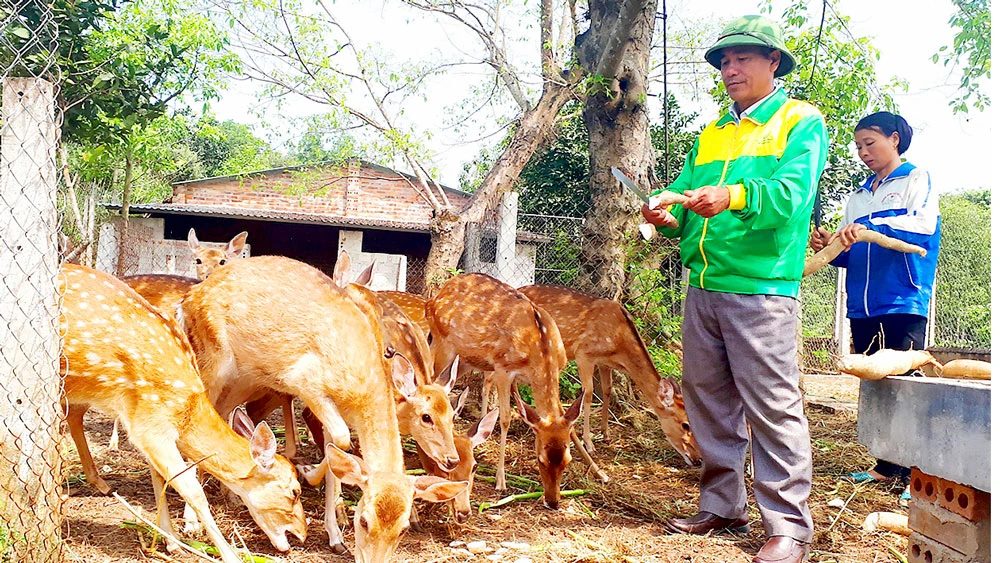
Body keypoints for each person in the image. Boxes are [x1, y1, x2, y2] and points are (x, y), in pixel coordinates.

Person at [642, 14, 828, 563]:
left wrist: (734, 196)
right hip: (703, 286)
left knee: (772, 405)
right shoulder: (714, 132)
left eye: (743, 57)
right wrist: (666, 210)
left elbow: (791, 197)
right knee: (709, 403)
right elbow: (684, 191)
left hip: (762, 288)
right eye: (725, 60)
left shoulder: (800, 121)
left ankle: (789, 528)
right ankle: (723, 506)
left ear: (774, 63)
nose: (730, 68)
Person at [809, 111, 941, 506]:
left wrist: (872, 228)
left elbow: (923, 225)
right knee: (876, 385)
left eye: (871, 143)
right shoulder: (858, 196)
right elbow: (854, 254)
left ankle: (918, 473)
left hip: (902, 299)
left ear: (896, 139)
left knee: (908, 384)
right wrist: (830, 249)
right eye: (859, 146)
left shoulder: (916, 179)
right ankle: (886, 466)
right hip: (863, 306)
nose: (863, 152)